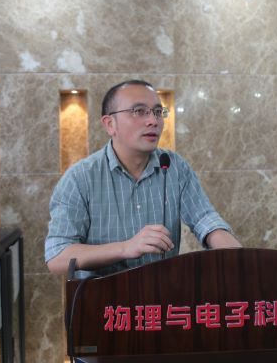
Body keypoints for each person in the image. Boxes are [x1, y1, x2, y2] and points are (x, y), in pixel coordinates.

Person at [45, 80, 241, 276]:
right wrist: (125, 248)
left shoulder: (174, 167)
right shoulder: (80, 178)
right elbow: (57, 256)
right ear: (110, 124)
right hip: (103, 294)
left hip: (161, 292)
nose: (153, 121)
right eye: (139, 111)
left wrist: (241, 259)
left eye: (158, 112)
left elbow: (205, 220)